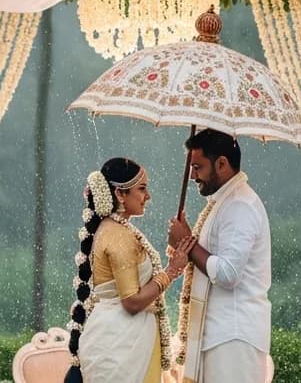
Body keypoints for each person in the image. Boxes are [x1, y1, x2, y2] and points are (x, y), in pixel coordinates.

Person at [66, 158, 189, 383]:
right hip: (121, 345)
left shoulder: (114, 229)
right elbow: (131, 302)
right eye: (141, 189)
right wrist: (171, 271)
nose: (147, 196)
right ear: (120, 194)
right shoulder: (119, 236)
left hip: (120, 338)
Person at [167, 129, 273, 383]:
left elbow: (227, 273)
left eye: (198, 167)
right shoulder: (224, 202)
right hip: (220, 335)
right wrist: (186, 246)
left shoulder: (240, 206)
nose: (193, 176)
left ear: (222, 164)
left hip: (233, 337)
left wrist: (187, 241)